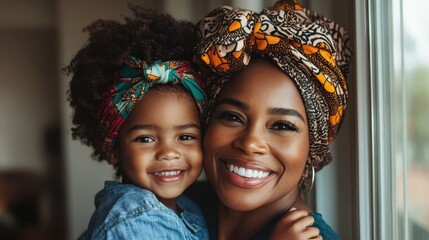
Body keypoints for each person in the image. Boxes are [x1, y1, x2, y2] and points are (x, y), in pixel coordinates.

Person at [189, 0, 352, 239]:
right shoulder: (173, 207)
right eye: (233, 117)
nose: (250, 142)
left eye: (283, 125)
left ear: (313, 150)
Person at [65, 5, 209, 240]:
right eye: (146, 139)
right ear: (113, 148)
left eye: (185, 137)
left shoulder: (189, 204)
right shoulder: (135, 221)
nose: (168, 152)